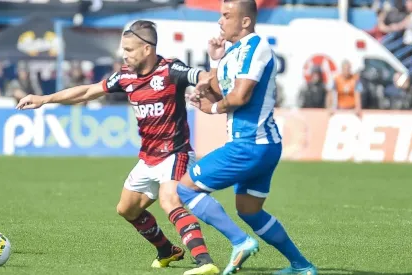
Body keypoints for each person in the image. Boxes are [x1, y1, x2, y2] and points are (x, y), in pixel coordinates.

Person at [16, 20, 220, 275]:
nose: (124, 54)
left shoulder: (170, 70)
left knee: (170, 200)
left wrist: (204, 81)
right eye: (123, 49)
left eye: (130, 49)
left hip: (175, 152)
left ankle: (205, 262)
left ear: (147, 49)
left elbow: (201, 76)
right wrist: (45, 99)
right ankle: (168, 251)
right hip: (148, 158)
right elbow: (89, 91)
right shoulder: (125, 75)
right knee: (126, 209)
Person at [176, 1, 318, 275]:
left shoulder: (257, 47)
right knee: (249, 210)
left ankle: (240, 242)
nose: (220, 21)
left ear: (245, 22)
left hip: (249, 144)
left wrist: (213, 108)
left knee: (186, 188)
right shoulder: (233, 53)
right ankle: (302, 266)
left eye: (227, 16)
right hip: (261, 146)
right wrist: (215, 63)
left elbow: (240, 97)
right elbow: (220, 91)